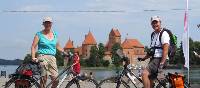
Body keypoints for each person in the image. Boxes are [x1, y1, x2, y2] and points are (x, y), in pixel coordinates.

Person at [31, 16, 65, 88]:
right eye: (46, 23)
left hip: (52, 58)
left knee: (56, 80)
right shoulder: (39, 34)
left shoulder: (55, 35)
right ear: (43, 24)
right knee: (44, 78)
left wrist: (65, 52)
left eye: (49, 23)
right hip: (42, 56)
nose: (47, 24)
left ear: (51, 24)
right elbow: (33, 47)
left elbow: (58, 46)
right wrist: (33, 57)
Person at [139, 16, 170, 88]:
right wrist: (143, 58)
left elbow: (165, 50)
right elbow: (152, 51)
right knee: (150, 80)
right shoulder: (153, 35)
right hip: (154, 59)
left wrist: (162, 64)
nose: (155, 24)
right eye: (153, 23)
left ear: (160, 23)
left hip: (160, 59)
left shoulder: (164, 33)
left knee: (144, 74)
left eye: (156, 22)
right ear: (151, 24)